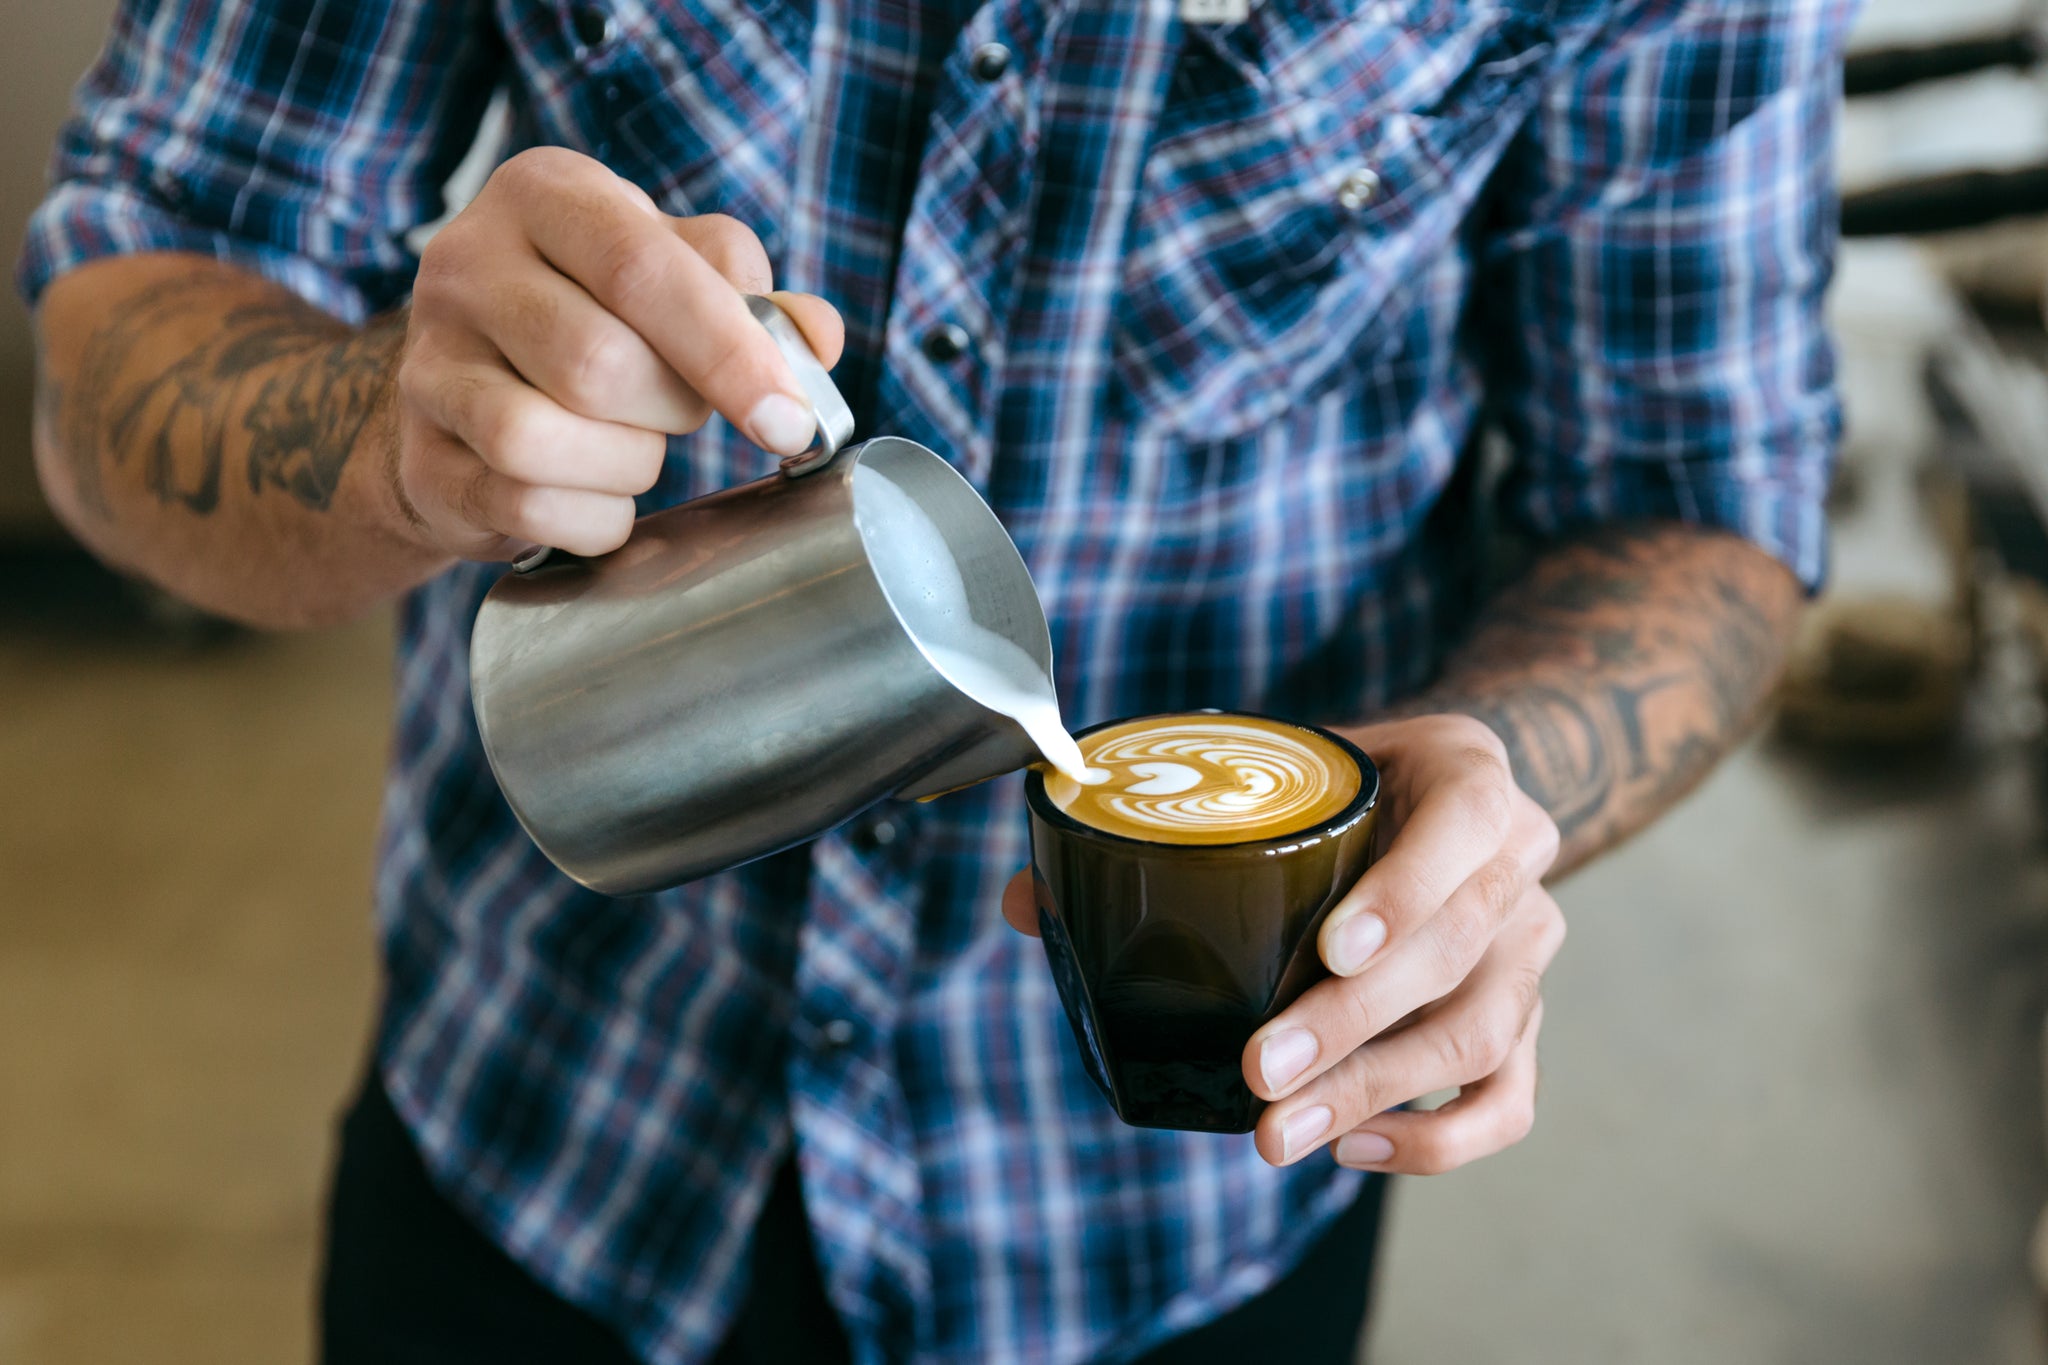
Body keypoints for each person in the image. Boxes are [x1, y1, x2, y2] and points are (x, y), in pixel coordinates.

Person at [19, 0, 1851, 1360]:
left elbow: (1694, 494)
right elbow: (122, 335)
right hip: (549, 1124)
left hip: (1178, 1221)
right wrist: (393, 439)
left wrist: (1499, 785)